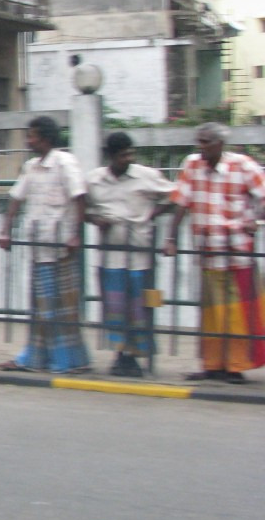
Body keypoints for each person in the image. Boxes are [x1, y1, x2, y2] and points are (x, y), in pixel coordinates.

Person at [163, 122, 265, 384]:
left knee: (236, 312)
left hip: (237, 252)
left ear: (220, 144)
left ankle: (235, 366)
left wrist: (256, 219)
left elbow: (262, 197)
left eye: (206, 142)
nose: (201, 147)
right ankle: (212, 364)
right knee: (211, 312)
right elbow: (181, 201)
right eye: (199, 141)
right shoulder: (192, 164)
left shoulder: (243, 165)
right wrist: (171, 237)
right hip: (208, 252)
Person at [0, 115, 91, 374]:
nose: (29, 141)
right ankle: (36, 358)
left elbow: (80, 197)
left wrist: (75, 234)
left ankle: (69, 361)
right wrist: (5, 230)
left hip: (61, 247)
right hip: (39, 248)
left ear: (46, 138)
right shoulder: (31, 167)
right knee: (42, 308)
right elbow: (16, 198)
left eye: (33, 136)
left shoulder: (65, 163)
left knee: (63, 309)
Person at [86, 132, 172, 377]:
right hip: (110, 256)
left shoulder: (146, 176)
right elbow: (82, 207)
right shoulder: (94, 180)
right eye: (123, 155)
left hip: (138, 256)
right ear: (111, 156)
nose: (128, 158)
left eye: (130, 153)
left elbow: (174, 195)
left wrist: (151, 215)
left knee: (138, 309)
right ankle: (119, 354)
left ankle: (135, 356)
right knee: (115, 308)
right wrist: (95, 219)